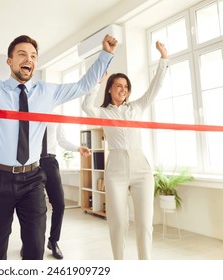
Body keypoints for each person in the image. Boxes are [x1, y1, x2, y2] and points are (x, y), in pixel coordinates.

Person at [0, 13, 117, 260]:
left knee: (35, 249)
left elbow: (83, 85)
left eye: (33, 56)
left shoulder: (47, 92)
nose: (28, 59)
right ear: (9, 61)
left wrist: (105, 55)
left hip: (32, 179)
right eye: (21, 54)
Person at [82, 41, 168, 260]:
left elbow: (154, 88)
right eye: (118, 85)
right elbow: (86, 106)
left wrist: (163, 59)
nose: (123, 89)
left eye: (126, 86)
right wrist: (96, 82)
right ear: (109, 88)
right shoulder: (103, 113)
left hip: (141, 168)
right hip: (117, 170)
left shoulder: (136, 107)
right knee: (118, 223)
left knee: (144, 224)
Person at [40, 123, 91, 259]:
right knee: (34, 207)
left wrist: (77, 148)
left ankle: (53, 241)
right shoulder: (31, 111)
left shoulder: (55, 117)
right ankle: (30, 241)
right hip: (33, 162)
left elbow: (61, 140)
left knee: (59, 204)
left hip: (50, 161)